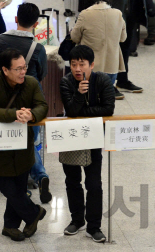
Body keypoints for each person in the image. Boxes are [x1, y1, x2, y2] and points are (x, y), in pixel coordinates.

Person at [0, 48, 48, 242]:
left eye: (24, 67)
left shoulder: (31, 83)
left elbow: (42, 105)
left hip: (23, 146)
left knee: (18, 189)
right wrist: (14, 114)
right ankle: (34, 212)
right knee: (7, 189)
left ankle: (10, 226)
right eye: (17, 69)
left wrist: (32, 114)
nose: (22, 72)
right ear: (5, 70)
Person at [0, 2, 52, 204]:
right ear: (36, 23)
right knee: (30, 140)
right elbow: (42, 73)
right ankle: (40, 176)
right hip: (29, 98)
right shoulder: (38, 48)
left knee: (9, 137)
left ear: (16, 19)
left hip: (3, 97)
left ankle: (17, 182)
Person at [59, 45, 115, 243]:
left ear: (92, 64)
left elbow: (108, 109)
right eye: (73, 64)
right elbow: (72, 111)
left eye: (81, 64)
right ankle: (76, 220)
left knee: (94, 183)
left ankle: (94, 226)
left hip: (93, 138)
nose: (77, 69)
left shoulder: (103, 80)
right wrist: (81, 95)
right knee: (72, 181)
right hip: (71, 137)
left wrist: (83, 112)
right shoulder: (66, 82)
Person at [95, 0, 148, 96]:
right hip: (114, 4)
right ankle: (107, 84)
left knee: (126, 44)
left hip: (131, 3)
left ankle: (122, 80)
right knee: (111, 46)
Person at [72, 0, 127, 94]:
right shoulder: (117, 13)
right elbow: (123, 38)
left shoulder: (85, 14)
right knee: (106, 98)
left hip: (91, 67)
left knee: (90, 98)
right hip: (112, 65)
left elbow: (74, 37)